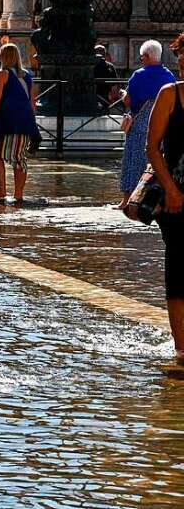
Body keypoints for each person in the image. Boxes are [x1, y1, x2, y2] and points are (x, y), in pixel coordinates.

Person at [145, 32, 184, 368]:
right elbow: (152, 147)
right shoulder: (170, 95)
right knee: (179, 266)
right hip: (176, 195)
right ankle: (181, 345)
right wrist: (170, 188)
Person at [119, 40, 178, 209]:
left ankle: (127, 200)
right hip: (162, 124)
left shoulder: (139, 75)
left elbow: (130, 100)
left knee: (132, 159)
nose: (141, 60)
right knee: (156, 162)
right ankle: (154, 200)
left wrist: (123, 94)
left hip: (140, 124)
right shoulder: (169, 75)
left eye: (141, 57)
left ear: (146, 56)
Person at [0, 44, 37, 203]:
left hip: (6, 120)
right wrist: (31, 121)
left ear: (4, 57)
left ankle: (2, 190)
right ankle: (18, 194)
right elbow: (32, 102)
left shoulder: (2, 74)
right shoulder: (27, 76)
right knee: (19, 158)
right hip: (25, 121)